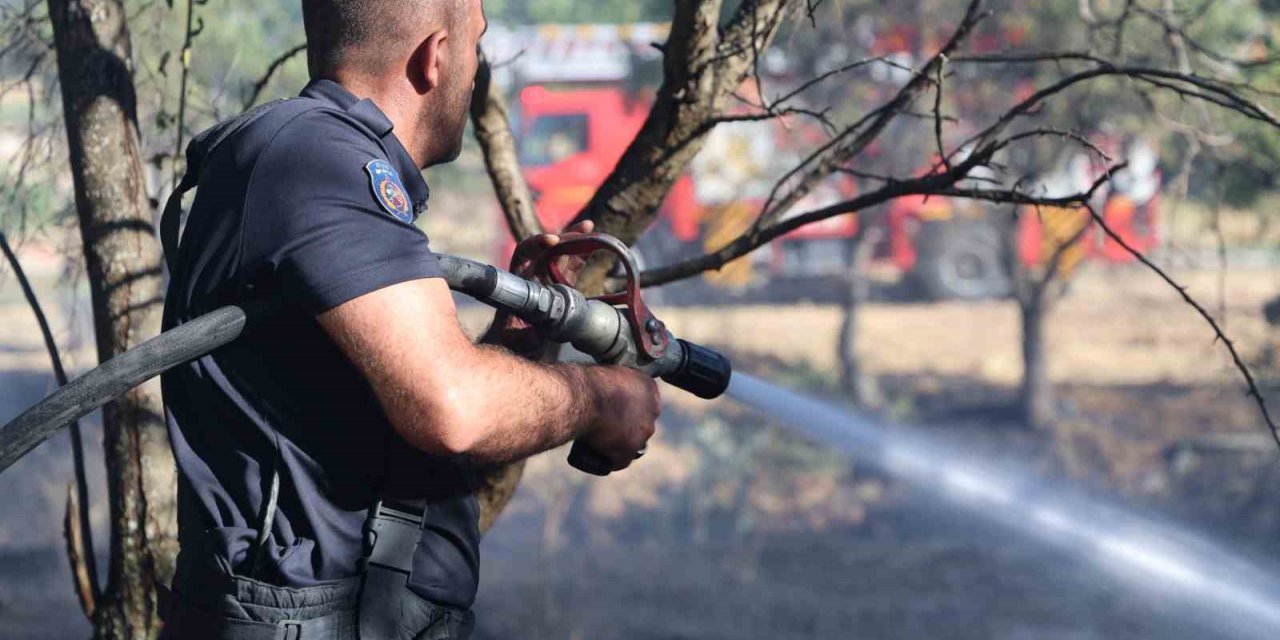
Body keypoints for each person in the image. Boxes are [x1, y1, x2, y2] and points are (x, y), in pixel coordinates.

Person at [157, 0, 660, 638]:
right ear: (436, 55)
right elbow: (450, 408)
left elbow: (380, 424)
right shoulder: (316, 159)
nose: (477, 72)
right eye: (476, 46)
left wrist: (519, 338)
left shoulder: (315, 161)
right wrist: (598, 400)